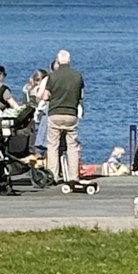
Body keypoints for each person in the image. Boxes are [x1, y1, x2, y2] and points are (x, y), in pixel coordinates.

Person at [45, 50, 84, 180]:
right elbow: (81, 96)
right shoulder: (77, 76)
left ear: (57, 60)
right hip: (71, 113)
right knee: (72, 146)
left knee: (52, 145)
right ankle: (73, 177)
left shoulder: (52, 76)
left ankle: (53, 175)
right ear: (69, 60)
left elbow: (45, 96)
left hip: (55, 113)